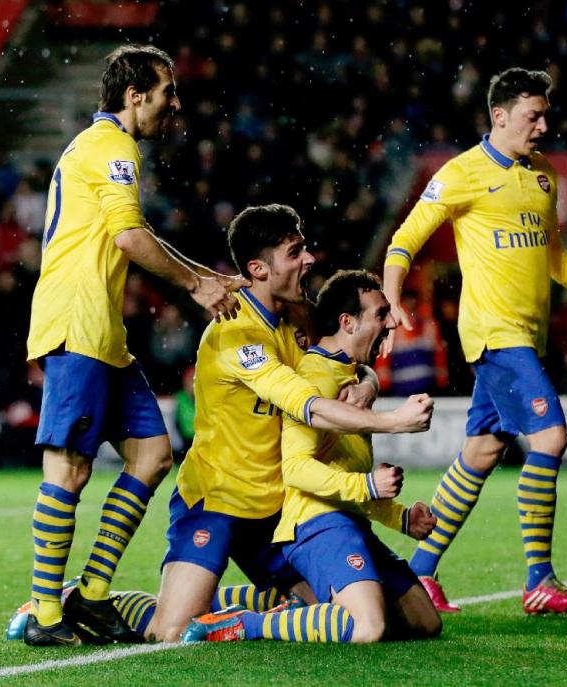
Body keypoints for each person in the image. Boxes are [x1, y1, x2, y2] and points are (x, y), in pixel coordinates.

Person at [23, 44, 246, 646]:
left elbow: (133, 233)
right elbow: (127, 237)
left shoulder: (97, 147)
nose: (174, 104)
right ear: (134, 95)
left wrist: (206, 275)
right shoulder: (113, 148)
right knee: (68, 470)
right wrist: (198, 284)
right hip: (77, 323)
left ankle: (92, 596)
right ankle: (47, 614)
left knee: (151, 454)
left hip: (104, 332)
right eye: (166, 92)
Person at [145, 203, 435, 643]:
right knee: (170, 629)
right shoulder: (234, 332)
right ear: (259, 269)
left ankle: (221, 606)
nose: (310, 259)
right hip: (220, 498)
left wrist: (370, 383)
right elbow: (308, 405)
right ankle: (96, 603)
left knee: (329, 612)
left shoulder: (298, 316)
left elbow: (347, 351)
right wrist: (393, 422)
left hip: (277, 505)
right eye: (295, 252)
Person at [383, 67, 567, 615]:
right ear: (501, 116)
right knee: (551, 438)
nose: (542, 126)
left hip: (526, 337)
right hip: (494, 333)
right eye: (533, 116)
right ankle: (540, 579)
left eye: (546, 116)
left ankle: (419, 575)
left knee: (481, 453)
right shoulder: (462, 173)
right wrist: (393, 298)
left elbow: (551, 251)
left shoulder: (543, 177)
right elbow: (405, 238)